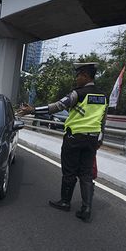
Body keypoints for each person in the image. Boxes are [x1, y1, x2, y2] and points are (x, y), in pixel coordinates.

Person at [18, 62, 108, 222]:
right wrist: (100, 139)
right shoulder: (103, 96)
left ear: (86, 76)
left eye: (78, 75)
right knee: (86, 174)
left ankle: (65, 202)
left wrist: (33, 110)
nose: (76, 78)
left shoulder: (78, 94)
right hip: (92, 140)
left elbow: (58, 106)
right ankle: (86, 208)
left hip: (74, 138)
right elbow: (102, 120)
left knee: (69, 171)